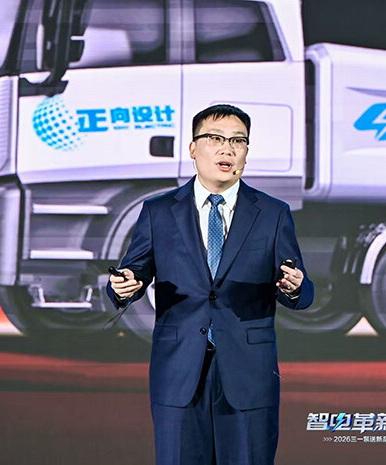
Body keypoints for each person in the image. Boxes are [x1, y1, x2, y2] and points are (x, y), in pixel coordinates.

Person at [107, 104, 314, 465]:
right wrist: (123, 286)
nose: (227, 149)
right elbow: (133, 273)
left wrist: (294, 287)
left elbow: (303, 290)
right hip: (179, 370)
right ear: (193, 148)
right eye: (216, 138)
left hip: (249, 373)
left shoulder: (272, 212)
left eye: (238, 141)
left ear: (246, 152)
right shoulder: (158, 211)